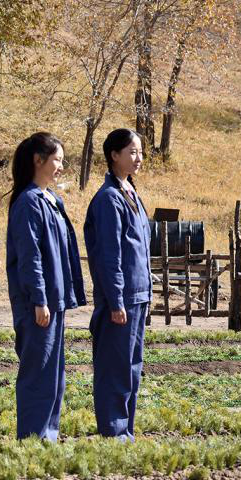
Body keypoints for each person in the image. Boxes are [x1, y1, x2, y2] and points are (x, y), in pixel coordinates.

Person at [5, 132, 86, 440]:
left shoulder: (50, 200)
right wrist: (39, 299)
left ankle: (47, 436)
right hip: (39, 303)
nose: (61, 168)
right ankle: (32, 439)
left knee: (54, 375)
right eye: (57, 160)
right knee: (38, 374)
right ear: (38, 160)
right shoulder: (28, 203)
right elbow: (30, 257)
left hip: (55, 299)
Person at [83, 128, 151, 440]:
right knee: (115, 368)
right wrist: (116, 299)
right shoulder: (109, 199)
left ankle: (126, 430)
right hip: (121, 298)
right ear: (114, 155)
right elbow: (109, 255)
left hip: (138, 295)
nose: (138, 158)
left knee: (131, 367)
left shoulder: (130, 192)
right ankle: (113, 432)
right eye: (132, 152)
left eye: (140, 152)